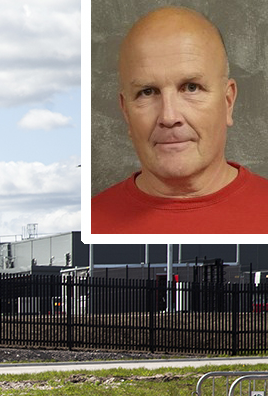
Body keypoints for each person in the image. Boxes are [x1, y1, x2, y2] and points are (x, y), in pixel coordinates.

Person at [91, 6, 268, 234]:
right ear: (126, 111)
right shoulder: (92, 221)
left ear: (228, 101)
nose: (169, 116)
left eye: (191, 88)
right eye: (147, 92)